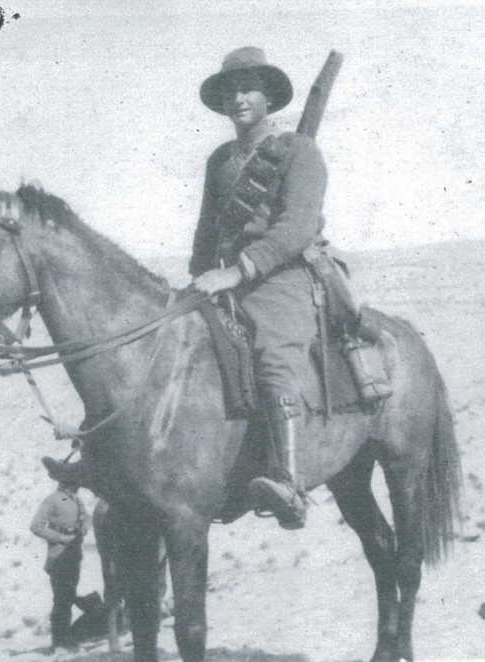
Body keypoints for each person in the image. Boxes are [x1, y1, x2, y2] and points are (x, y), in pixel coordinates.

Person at [190, 46, 390, 529]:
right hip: (228, 279)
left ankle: (288, 481)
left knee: (273, 351)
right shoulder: (220, 160)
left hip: (285, 276)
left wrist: (238, 271)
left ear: (268, 98)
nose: (239, 99)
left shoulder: (300, 152)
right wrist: (200, 276)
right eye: (231, 92)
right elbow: (206, 231)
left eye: (248, 90)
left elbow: (296, 227)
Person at [30, 462, 90, 652]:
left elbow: (86, 516)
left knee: (68, 595)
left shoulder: (76, 499)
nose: (78, 484)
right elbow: (36, 526)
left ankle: (65, 637)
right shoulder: (53, 500)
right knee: (62, 599)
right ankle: (59, 641)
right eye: (75, 481)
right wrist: (60, 538)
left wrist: (84, 526)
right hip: (58, 555)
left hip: (74, 554)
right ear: (66, 481)